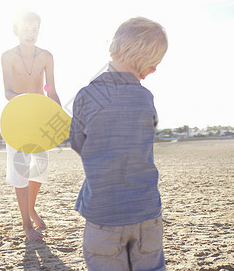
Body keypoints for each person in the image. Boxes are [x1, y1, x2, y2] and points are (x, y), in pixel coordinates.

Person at [69, 17, 168, 270]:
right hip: (146, 212)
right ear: (144, 63)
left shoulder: (86, 96)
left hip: (103, 214)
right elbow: (146, 135)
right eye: (155, 64)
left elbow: (77, 142)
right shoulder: (146, 97)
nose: (155, 70)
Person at [1, 10, 61, 241]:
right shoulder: (7, 56)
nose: (30, 34)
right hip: (17, 118)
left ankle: (31, 208)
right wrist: (25, 102)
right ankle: (27, 226)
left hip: (39, 118)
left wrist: (56, 111)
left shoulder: (46, 56)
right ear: (15, 30)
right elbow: (7, 91)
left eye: (35, 29)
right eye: (25, 29)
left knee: (40, 168)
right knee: (21, 171)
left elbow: (51, 90)